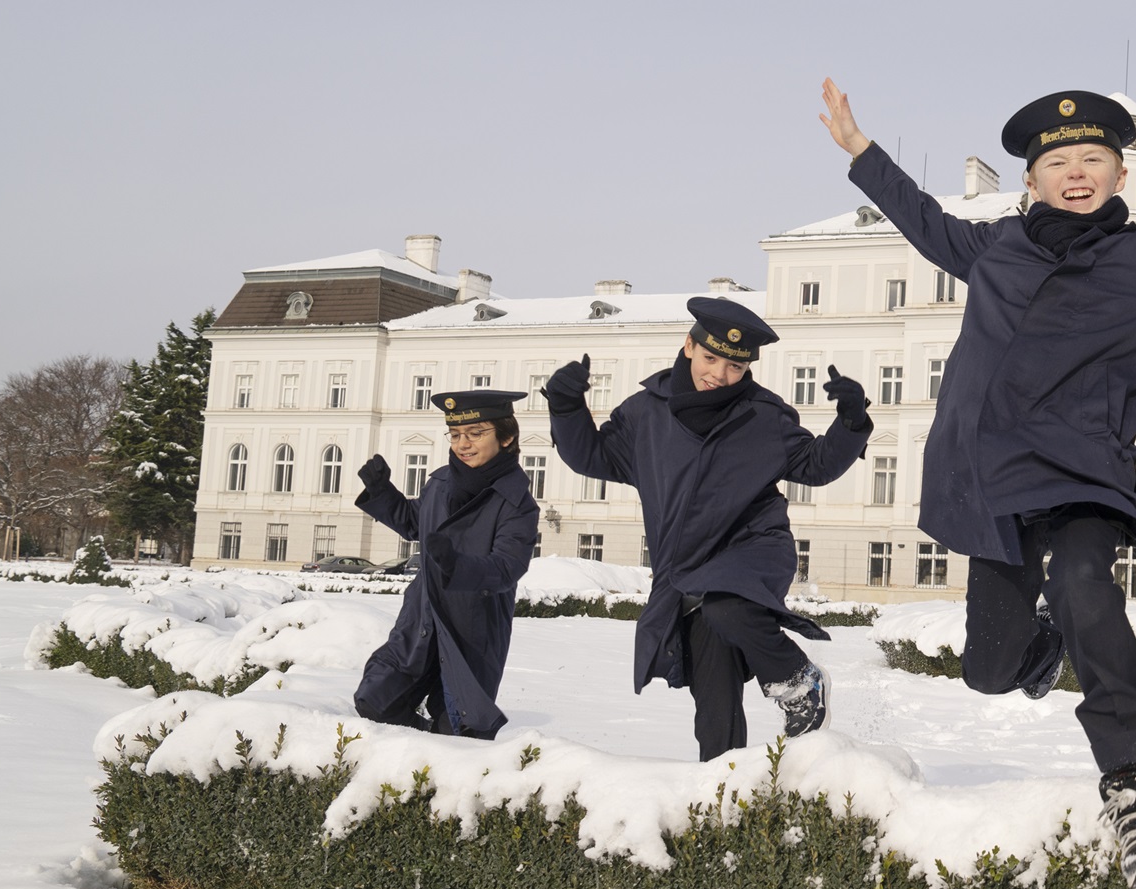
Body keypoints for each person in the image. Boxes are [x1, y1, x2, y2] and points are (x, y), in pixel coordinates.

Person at [817, 79, 1136, 889]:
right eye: (1058, 161)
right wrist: (861, 152)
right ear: (1032, 180)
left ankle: (1133, 785)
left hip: (1087, 471)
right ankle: (1043, 637)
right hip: (994, 479)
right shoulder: (994, 248)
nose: (1076, 172)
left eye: (1093, 158)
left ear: (1120, 176)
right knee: (989, 671)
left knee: (1089, 584)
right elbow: (922, 222)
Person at [545, 296, 873, 761]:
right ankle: (721, 791)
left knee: (729, 611)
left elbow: (816, 465)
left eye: (734, 366)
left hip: (751, 548)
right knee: (713, 703)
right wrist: (566, 405)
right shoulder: (645, 413)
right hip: (685, 571)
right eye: (711, 358)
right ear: (688, 346)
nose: (718, 374)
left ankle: (799, 683)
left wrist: (852, 421)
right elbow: (593, 457)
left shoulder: (764, 415)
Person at [352, 389, 540, 740]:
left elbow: (506, 567)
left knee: (457, 730)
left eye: (476, 433)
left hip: (469, 633)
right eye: (455, 435)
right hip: (421, 621)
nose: (463, 444)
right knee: (375, 701)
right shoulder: (440, 482)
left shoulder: (517, 504)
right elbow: (413, 522)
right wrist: (382, 493)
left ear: (507, 436)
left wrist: (458, 566)